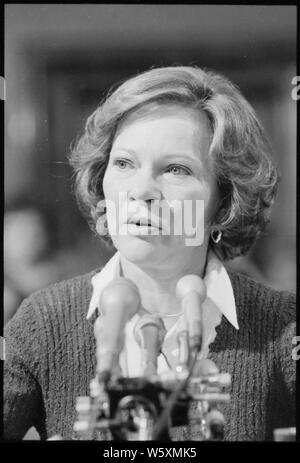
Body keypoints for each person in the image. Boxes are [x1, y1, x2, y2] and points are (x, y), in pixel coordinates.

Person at [4, 66, 296, 441]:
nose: (141, 191)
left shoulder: (284, 330)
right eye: (124, 163)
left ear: (224, 203)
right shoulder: (43, 323)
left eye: (176, 169)